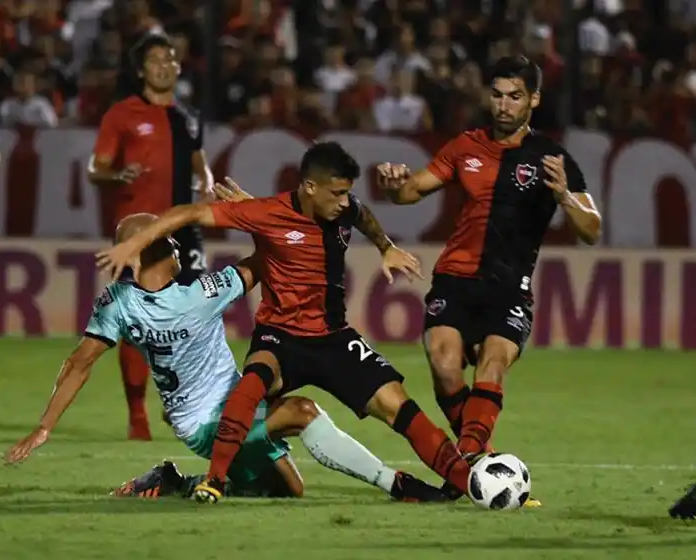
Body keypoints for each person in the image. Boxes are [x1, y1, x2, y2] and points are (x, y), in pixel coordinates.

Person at [96, 142, 477, 505]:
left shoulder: (345, 208)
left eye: (347, 193)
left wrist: (385, 246)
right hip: (280, 338)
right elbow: (189, 213)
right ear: (310, 187)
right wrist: (135, 244)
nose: (345, 202)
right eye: (337, 193)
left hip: (334, 338)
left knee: (399, 406)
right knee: (253, 383)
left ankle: (470, 486)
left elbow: (363, 215)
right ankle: (214, 480)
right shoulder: (266, 213)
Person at [5, 214, 445, 504]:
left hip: (235, 402)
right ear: (150, 250)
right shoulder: (189, 295)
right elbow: (263, 261)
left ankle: (177, 482)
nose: (179, 245)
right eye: (169, 240)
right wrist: (264, 219)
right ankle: (396, 483)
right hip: (204, 425)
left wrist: (45, 426)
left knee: (289, 490)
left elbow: (79, 362)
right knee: (303, 411)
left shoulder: (134, 300)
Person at [377, 55, 602, 504]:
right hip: (456, 278)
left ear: (533, 99)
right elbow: (411, 191)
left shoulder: (551, 158)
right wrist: (392, 183)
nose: (503, 105)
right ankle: (483, 463)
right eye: (497, 95)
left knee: (492, 363)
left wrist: (564, 198)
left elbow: (592, 230)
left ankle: (468, 462)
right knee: (443, 366)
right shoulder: (465, 146)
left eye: (515, 96)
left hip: (509, 287)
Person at [88, 33, 215, 441]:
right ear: (142, 69)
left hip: (183, 228)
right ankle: (138, 413)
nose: (163, 65)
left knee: (195, 316)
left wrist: (207, 183)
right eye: (155, 59)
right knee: (137, 320)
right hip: (137, 230)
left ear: (178, 67)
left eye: (170, 58)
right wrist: (115, 175)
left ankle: (182, 401)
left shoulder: (188, 116)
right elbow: (96, 168)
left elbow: (199, 161)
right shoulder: (122, 114)